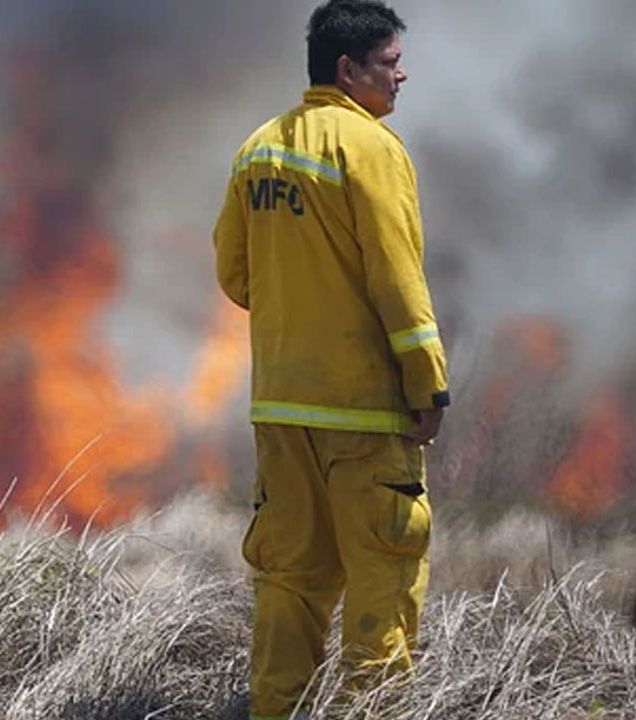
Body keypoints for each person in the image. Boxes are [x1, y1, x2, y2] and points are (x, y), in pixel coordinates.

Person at [211, 1, 451, 717]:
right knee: (383, 581)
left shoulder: (258, 149)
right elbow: (396, 275)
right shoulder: (371, 147)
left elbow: (234, 273)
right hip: (363, 413)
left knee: (289, 582)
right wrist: (427, 384)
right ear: (348, 69)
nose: (402, 75)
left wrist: (299, 307)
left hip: (281, 410)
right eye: (389, 62)